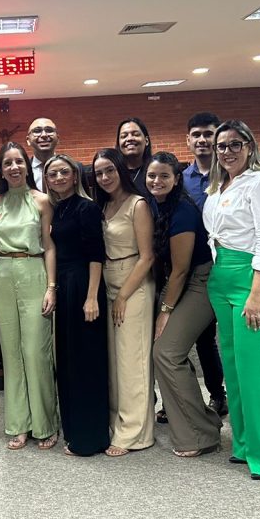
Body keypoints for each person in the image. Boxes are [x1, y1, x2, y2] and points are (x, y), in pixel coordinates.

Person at [203, 120, 260, 480]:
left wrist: (256, 294)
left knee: (257, 373)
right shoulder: (219, 185)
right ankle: (244, 444)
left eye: (235, 144)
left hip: (256, 285)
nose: (227, 151)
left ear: (250, 146)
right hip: (222, 280)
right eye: (221, 145)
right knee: (236, 371)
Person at [145, 152, 222, 457]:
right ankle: (203, 421)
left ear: (177, 179)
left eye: (164, 175)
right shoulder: (155, 204)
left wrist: (164, 312)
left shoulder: (183, 211)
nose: (156, 181)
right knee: (164, 350)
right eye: (152, 175)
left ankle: (200, 436)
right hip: (178, 280)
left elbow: (181, 269)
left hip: (200, 281)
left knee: (166, 352)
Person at [0, 142, 59, 451]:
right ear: (1, 170)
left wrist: (51, 286)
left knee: (35, 351)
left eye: (18, 161)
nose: (14, 167)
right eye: (7, 163)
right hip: (3, 273)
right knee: (11, 353)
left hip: (33, 270)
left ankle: (45, 423)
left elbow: (50, 246)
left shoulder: (42, 200)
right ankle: (18, 424)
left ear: (26, 166)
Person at [44, 154, 109, 456]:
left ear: (75, 176)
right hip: (66, 287)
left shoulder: (87, 207)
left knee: (87, 362)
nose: (58, 177)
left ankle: (90, 438)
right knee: (69, 360)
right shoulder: (58, 209)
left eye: (63, 172)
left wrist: (92, 297)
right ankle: (73, 430)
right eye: (52, 174)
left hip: (84, 285)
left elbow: (96, 254)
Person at [92, 147, 155, 456]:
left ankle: (135, 434)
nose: (104, 177)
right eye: (99, 172)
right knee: (115, 362)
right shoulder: (103, 205)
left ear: (121, 170)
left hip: (133, 284)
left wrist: (123, 296)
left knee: (133, 361)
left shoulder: (137, 204)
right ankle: (119, 422)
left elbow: (147, 257)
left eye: (109, 170)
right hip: (108, 281)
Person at [181, 111, 227, 416]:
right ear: (188, 140)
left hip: (226, 265)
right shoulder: (181, 179)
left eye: (208, 134)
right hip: (190, 267)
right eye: (196, 135)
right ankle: (186, 399)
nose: (202, 140)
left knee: (216, 339)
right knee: (194, 336)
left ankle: (219, 394)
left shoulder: (230, 175)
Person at [115, 117, 153, 197]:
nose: (129, 139)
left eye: (136, 134)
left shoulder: (156, 171)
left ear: (146, 141)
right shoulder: (113, 173)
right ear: (118, 144)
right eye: (124, 136)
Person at [26, 118, 59, 191]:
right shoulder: (21, 171)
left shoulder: (76, 169)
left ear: (58, 138)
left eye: (49, 130)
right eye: (37, 131)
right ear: (28, 140)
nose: (44, 135)